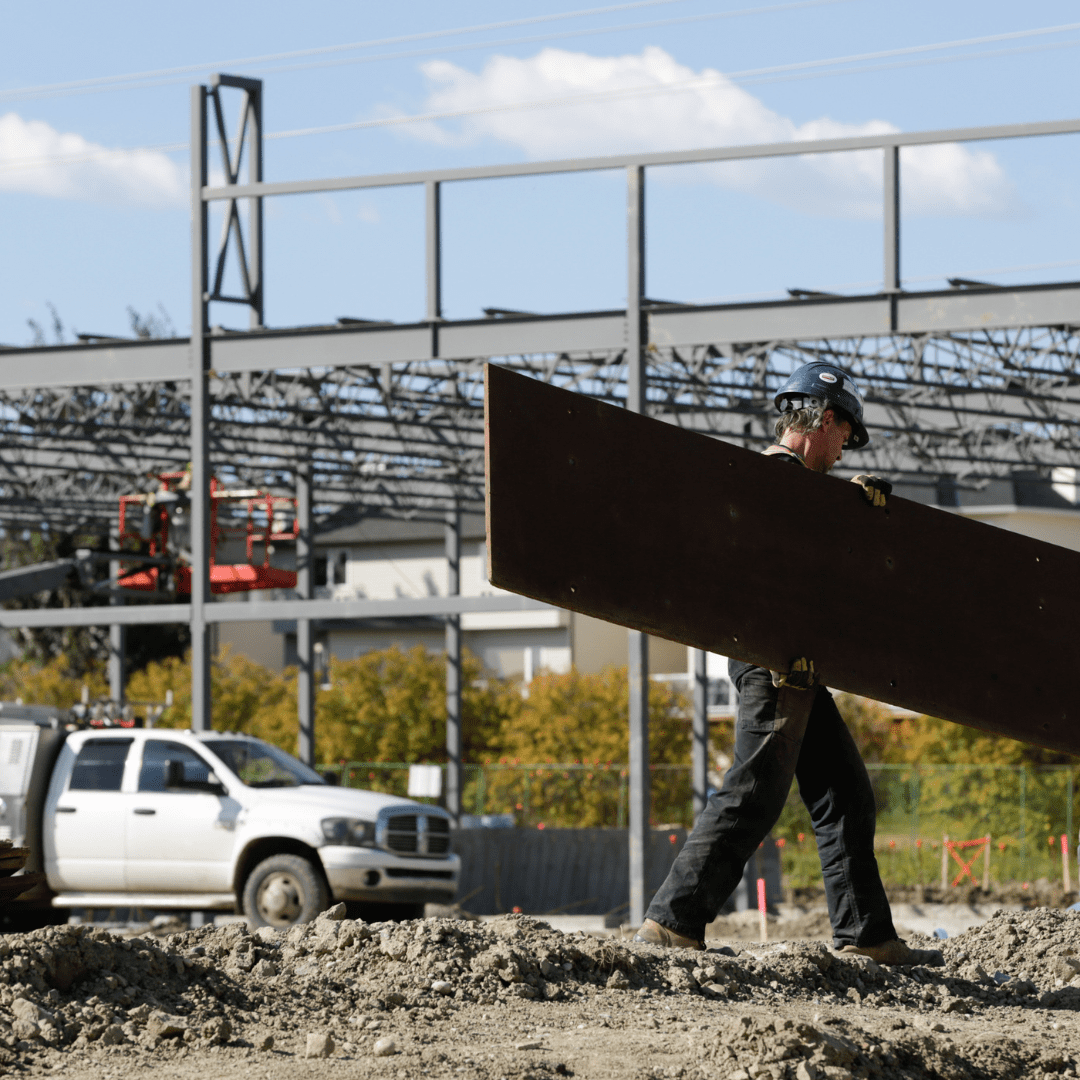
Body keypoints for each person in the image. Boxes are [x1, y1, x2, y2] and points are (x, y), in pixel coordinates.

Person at [634, 361, 942, 966]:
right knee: (752, 793)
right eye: (844, 437)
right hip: (775, 665)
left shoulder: (800, 488)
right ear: (824, 420)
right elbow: (754, 570)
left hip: (798, 665)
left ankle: (868, 937)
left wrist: (858, 514)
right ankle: (672, 924)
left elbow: (818, 569)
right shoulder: (768, 480)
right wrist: (839, 509)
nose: (844, 449)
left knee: (846, 796)